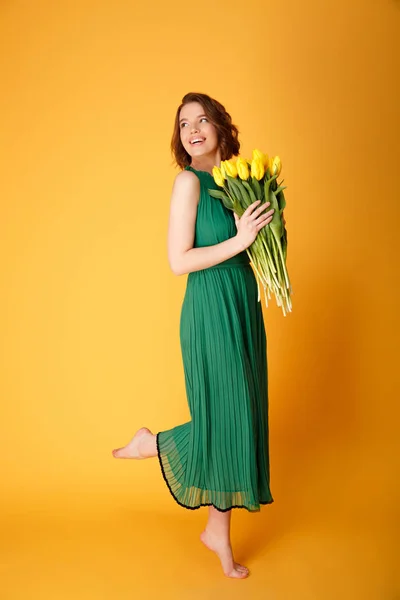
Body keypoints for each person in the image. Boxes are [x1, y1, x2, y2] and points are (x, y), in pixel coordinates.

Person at [112, 92, 282, 580]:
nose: (193, 129)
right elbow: (178, 260)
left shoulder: (236, 183)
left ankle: (215, 532)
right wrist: (240, 240)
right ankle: (153, 444)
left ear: (221, 128)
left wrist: (268, 238)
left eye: (202, 119)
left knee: (241, 418)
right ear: (180, 138)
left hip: (241, 305)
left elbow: (250, 248)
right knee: (226, 416)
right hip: (209, 308)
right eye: (184, 123)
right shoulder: (188, 183)